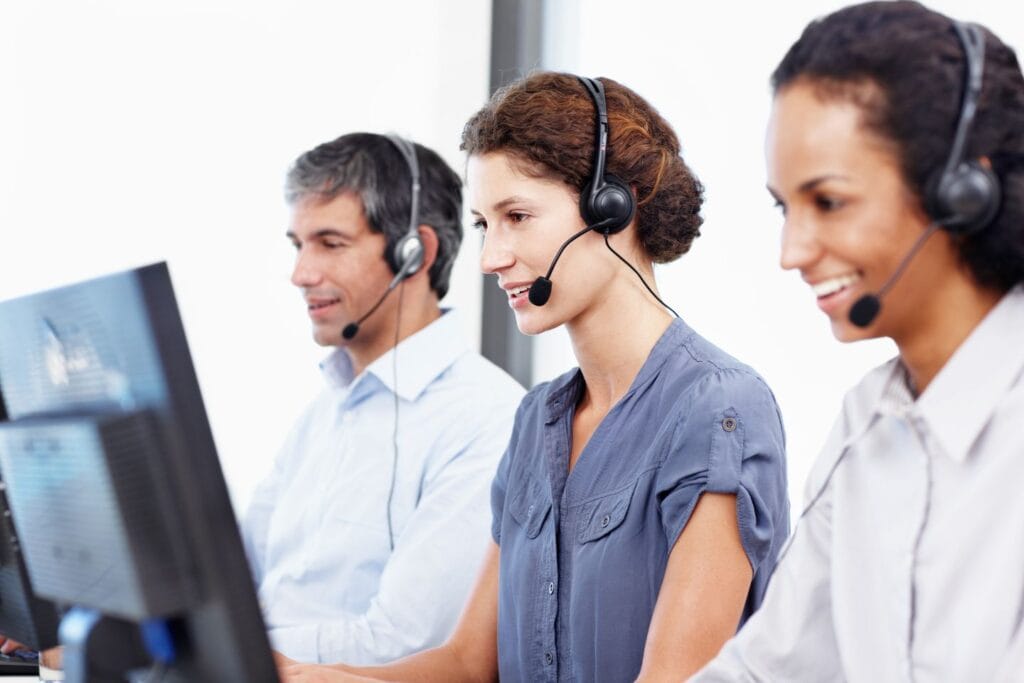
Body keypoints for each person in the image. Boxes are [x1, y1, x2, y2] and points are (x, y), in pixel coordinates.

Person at [279, 73, 789, 682]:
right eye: (484, 226)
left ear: (612, 209)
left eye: (517, 216)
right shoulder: (538, 420)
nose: (493, 257)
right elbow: (470, 663)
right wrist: (307, 674)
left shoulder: (720, 410)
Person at [694, 2, 1024, 681]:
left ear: (964, 192)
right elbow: (767, 668)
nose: (792, 252)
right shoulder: (868, 424)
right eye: (786, 207)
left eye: (829, 201)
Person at [242, 132, 524, 665]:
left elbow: (403, 646)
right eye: (297, 244)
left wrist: (224, 653)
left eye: (330, 243)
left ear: (414, 254)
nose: (301, 273)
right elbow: (231, 580)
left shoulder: (486, 420)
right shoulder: (322, 413)